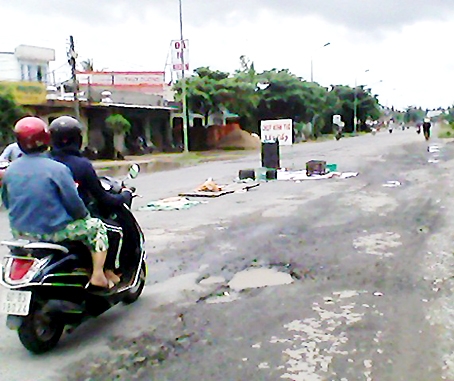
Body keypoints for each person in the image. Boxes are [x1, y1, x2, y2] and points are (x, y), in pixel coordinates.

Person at [1, 116, 112, 289]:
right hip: (52, 233)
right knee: (97, 227)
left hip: (20, 233)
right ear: (46, 139)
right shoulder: (57, 169)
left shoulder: (10, 170)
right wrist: (83, 216)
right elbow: (74, 204)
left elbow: (7, 202)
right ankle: (98, 275)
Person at [48, 116, 132, 284]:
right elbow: (101, 198)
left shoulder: (44, 162)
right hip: (66, 223)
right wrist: (124, 196)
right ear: (77, 139)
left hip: (39, 222)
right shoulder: (81, 165)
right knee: (114, 230)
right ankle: (104, 271)